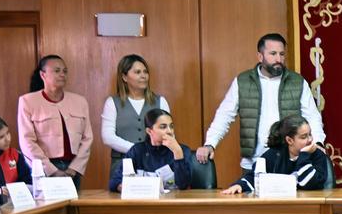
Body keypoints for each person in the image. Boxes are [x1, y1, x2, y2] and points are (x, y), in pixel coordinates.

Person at [196, 33, 326, 172]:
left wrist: (318, 143)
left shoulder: (297, 82)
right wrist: (210, 143)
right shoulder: (243, 81)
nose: (278, 59)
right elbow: (224, 116)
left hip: (289, 161)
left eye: (282, 54)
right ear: (260, 56)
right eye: (273, 53)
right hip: (253, 163)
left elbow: (312, 116)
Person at [17, 54, 93, 187]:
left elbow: (88, 138)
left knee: (74, 206)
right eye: (57, 71)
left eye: (64, 71)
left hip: (73, 168)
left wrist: (75, 168)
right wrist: (51, 170)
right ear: (43, 75)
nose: (62, 74)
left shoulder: (80, 101)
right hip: (44, 168)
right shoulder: (27, 101)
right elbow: (27, 141)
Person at [222, 114, 330, 194]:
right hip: (279, 207)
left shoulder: (317, 155)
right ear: (289, 140)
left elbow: (309, 184)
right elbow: (254, 177)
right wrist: (239, 185)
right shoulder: (274, 155)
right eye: (304, 137)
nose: (310, 140)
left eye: (310, 134)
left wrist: (304, 155)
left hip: (309, 207)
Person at [100, 54, 169, 171]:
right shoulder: (112, 102)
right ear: (124, 77)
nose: (143, 76)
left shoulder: (160, 101)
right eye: (137, 72)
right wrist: (136, 150)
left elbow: (168, 133)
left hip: (154, 162)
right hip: (122, 163)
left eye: (145, 72)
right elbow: (108, 137)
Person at [108, 109, 192, 193]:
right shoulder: (137, 151)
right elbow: (114, 182)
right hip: (143, 202)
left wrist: (177, 153)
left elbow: (183, 185)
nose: (169, 131)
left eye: (171, 126)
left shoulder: (182, 150)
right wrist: (129, 188)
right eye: (163, 127)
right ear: (149, 131)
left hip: (172, 202)